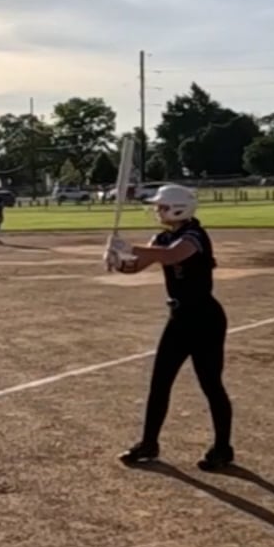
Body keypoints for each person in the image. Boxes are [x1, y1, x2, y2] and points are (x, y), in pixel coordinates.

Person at [106, 184, 234, 472]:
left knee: (211, 384)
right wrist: (117, 261)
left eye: (162, 206)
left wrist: (128, 247)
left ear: (178, 208)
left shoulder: (194, 236)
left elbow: (172, 256)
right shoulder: (162, 238)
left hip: (205, 319)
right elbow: (137, 265)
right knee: (159, 382)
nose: (157, 210)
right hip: (179, 318)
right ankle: (149, 443)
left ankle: (223, 449)